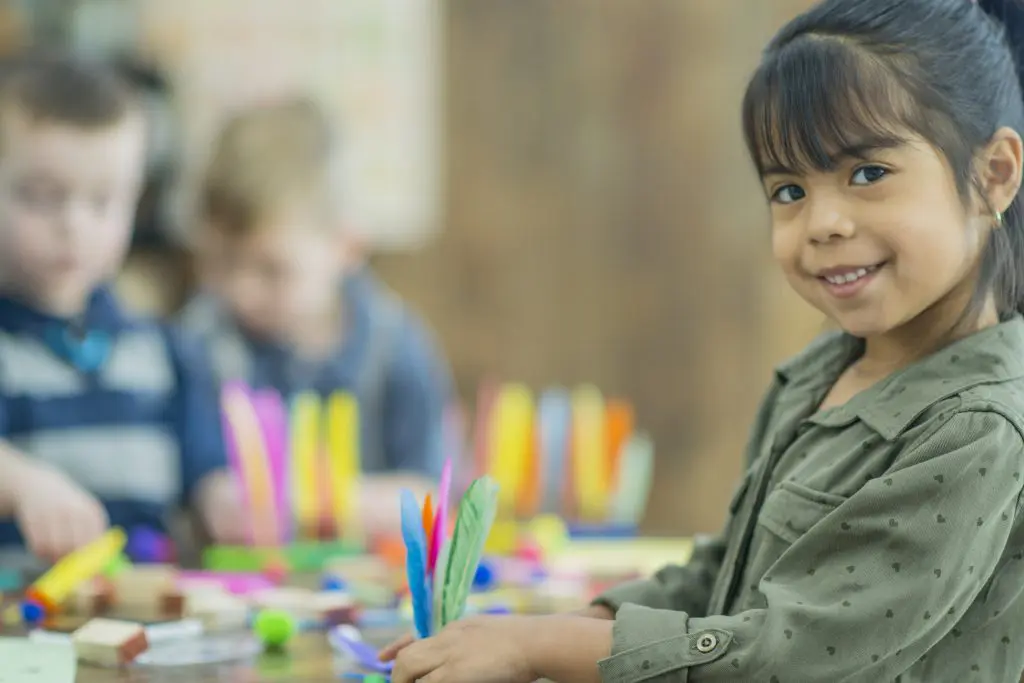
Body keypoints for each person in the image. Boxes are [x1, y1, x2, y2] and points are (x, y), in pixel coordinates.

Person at [381, 0, 1024, 680]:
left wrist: (543, 646)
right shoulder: (823, 370)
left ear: (995, 174)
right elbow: (727, 574)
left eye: (867, 173)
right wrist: (559, 629)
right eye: (788, 188)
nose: (823, 222)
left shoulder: (980, 427)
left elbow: (796, 654)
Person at [0, 54, 245, 563]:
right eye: (42, 197)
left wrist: (225, 499)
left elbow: (207, 476)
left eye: (103, 201)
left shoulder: (166, 351)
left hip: (146, 621)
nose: (74, 225)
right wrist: (22, 483)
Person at [179, 97, 452, 536]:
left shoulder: (395, 346)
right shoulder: (199, 341)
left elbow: (430, 497)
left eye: (272, 270)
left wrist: (302, 503)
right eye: (222, 262)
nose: (240, 291)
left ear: (346, 247)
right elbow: (203, 495)